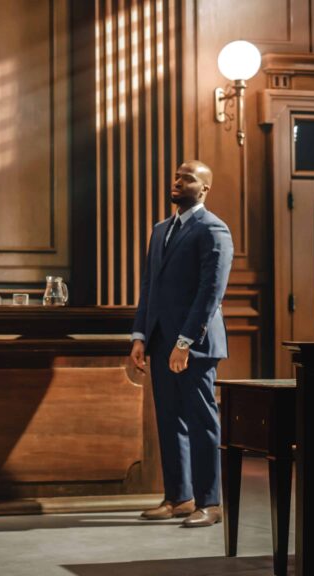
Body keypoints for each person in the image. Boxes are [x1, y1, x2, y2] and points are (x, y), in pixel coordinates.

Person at [130, 160, 234, 528]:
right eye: (176, 176)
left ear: (204, 189)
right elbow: (150, 287)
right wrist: (140, 335)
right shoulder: (161, 231)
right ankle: (179, 498)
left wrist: (185, 342)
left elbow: (210, 293)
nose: (177, 182)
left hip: (196, 345)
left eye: (187, 178)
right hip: (159, 342)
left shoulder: (214, 229)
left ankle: (211, 502)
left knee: (202, 422)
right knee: (169, 421)